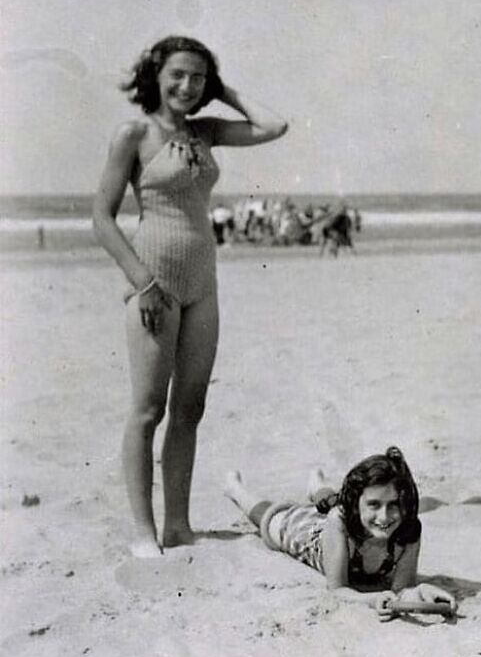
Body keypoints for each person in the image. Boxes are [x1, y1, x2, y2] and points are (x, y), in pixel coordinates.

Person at [93, 36, 288, 558]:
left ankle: (178, 526)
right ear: (155, 75)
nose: (188, 85)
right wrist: (143, 282)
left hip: (204, 281)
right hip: (153, 280)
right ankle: (143, 532)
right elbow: (101, 218)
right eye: (178, 74)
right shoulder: (134, 132)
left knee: (191, 408)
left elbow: (274, 126)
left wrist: (225, 90)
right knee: (148, 409)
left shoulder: (206, 132)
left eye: (199, 77)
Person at [224, 447, 457, 620]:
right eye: (374, 504)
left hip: (350, 514)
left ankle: (317, 485)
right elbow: (337, 590)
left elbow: (401, 589)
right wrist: (370, 599)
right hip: (313, 536)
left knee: (332, 501)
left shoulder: (408, 529)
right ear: (357, 504)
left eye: (394, 504)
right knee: (275, 519)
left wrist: (422, 592)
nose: (385, 517)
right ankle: (235, 490)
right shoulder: (341, 521)